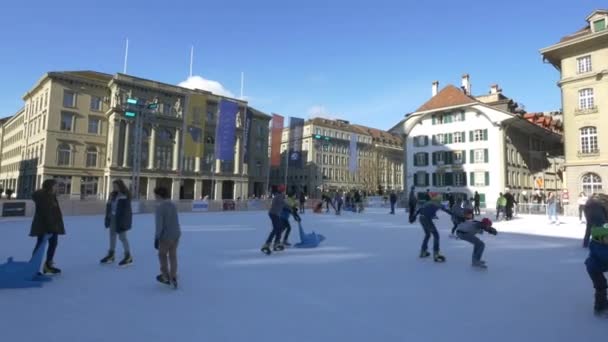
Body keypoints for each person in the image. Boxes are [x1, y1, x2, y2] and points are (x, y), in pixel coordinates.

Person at [30, 179, 65, 275]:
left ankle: (48, 265)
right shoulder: (44, 197)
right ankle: (33, 267)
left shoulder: (51, 196)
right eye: (55, 186)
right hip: (45, 226)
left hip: (52, 225)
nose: (57, 187)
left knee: (52, 244)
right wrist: (50, 227)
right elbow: (46, 213)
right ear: (50, 186)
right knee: (40, 246)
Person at [583, 193, 608, 315]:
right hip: (597, 264)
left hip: (593, 265)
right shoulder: (597, 209)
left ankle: (600, 306)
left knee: (601, 286)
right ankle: (600, 307)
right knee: (601, 286)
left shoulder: (590, 208)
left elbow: (590, 227)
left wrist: (586, 241)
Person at [409, 193, 452, 262]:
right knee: (436, 235)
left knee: (428, 234)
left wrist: (414, 216)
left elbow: (420, 209)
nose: (441, 200)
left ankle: (423, 251)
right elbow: (446, 210)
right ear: (438, 199)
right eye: (440, 199)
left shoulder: (428, 202)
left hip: (421, 218)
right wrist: (454, 215)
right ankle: (436, 254)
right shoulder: (437, 203)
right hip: (426, 219)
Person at [100, 179, 133, 266]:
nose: (114, 187)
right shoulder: (112, 195)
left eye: (115, 186)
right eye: (113, 186)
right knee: (112, 236)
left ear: (120, 186)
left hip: (121, 219)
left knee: (122, 237)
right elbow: (108, 207)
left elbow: (127, 211)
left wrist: (124, 222)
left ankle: (128, 256)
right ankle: (111, 254)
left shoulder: (125, 195)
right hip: (113, 217)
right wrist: (107, 218)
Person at [154, 186, 181, 288]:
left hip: (166, 236)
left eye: (155, 195)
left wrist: (157, 238)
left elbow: (159, 225)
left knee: (162, 255)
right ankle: (173, 275)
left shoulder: (160, 208)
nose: (155, 198)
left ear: (159, 195)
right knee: (173, 255)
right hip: (176, 234)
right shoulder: (173, 205)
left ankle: (165, 275)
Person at [262, 185, 287, 254]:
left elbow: (283, 204)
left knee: (279, 228)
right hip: (274, 214)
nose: (284, 191)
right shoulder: (279, 196)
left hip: (275, 214)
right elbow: (284, 204)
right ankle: (268, 243)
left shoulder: (279, 195)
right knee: (277, 228)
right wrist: (291, 208)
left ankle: (276, 243)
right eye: (283, 190)